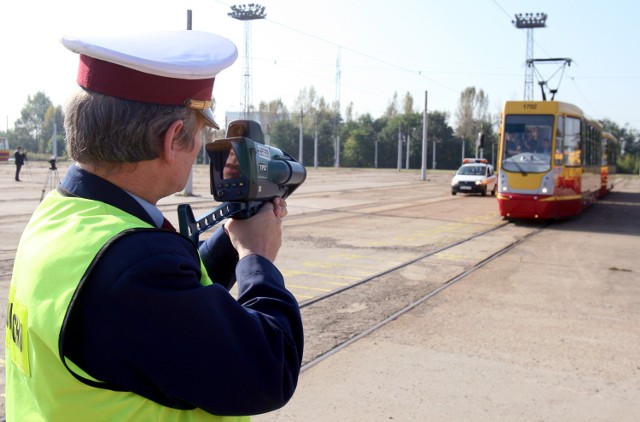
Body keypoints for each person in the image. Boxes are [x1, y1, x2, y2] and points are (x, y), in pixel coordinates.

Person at [6, 30, 303, 421]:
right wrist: (257, 258)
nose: (200, 147)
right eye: (200, 133)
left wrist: (232, 240)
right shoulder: (133, 269)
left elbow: (172, 305)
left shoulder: (65, 216)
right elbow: (267, 371)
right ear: (173, 137)